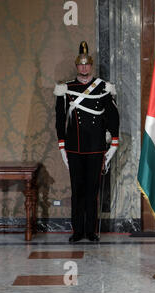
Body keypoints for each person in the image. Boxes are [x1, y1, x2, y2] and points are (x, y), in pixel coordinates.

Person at [54, 41, 119, 243]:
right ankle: (77, 230)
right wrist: (62, 143)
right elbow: (59, 118)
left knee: (92, 191)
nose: (84, 68)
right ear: (77, 67)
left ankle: (90, 231)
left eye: (87, 64)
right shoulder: (67, 88)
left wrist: (113, 140)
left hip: (95, 147)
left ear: (91, 66)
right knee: (77, 191)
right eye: (80, 65)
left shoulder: (103, 87)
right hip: (74, 147)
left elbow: (112, 116)